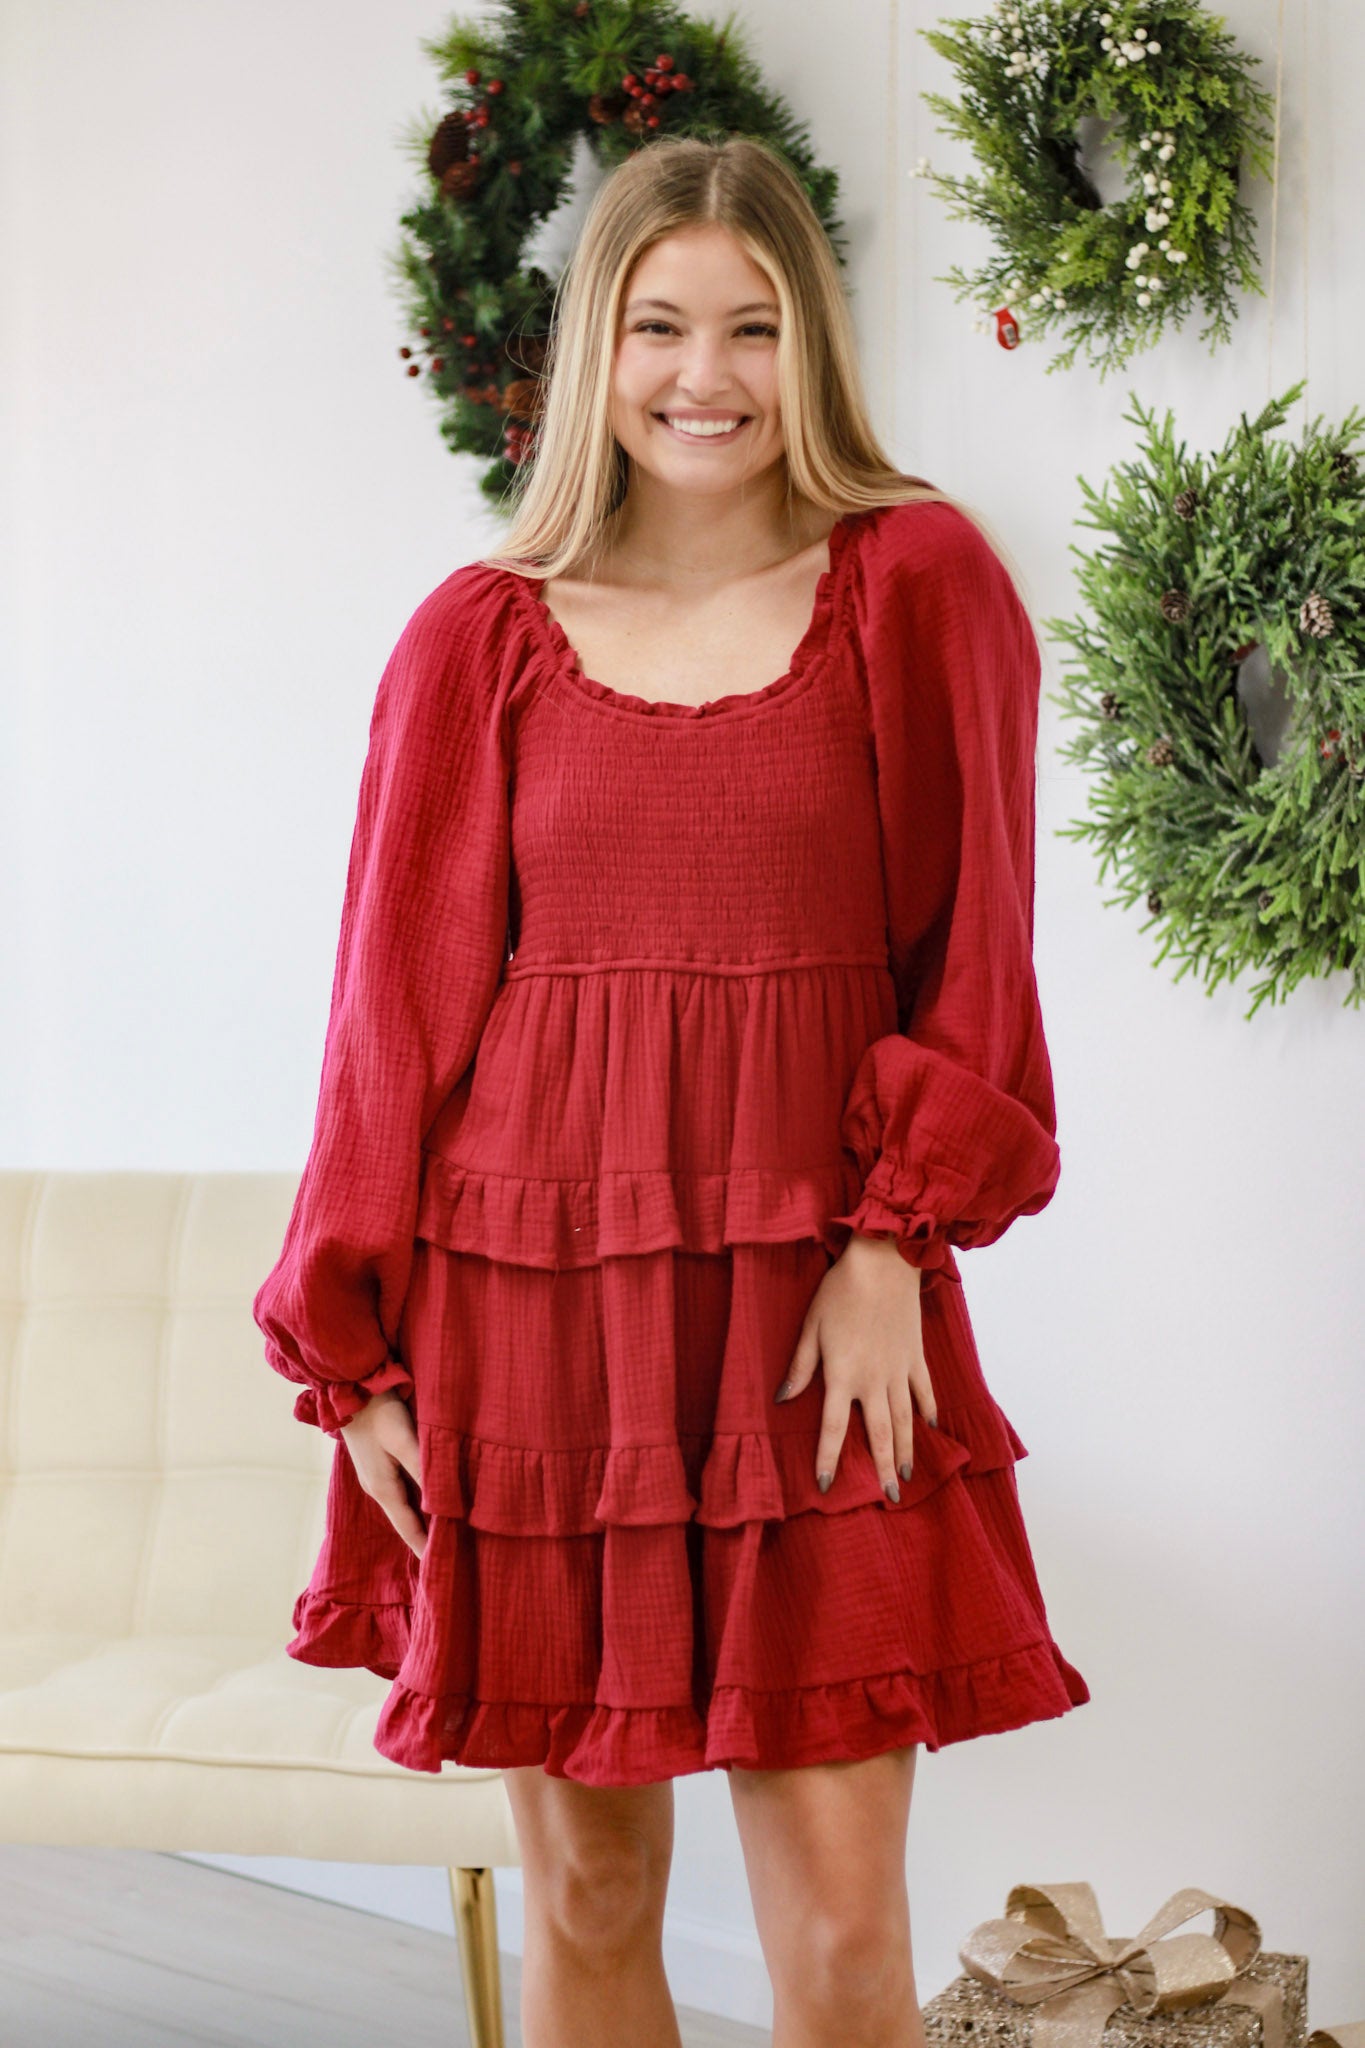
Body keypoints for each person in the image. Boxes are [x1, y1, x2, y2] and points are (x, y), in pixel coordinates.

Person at [253, 133, 1089, 2048]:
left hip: (820, 1313)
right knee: (592, 1896)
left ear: (815, 344)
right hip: (533, 1318)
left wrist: (889, 1250)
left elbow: (978, 955)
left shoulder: (918, 584)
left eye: (751, 325)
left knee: (847, 1941)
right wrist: (350, 1358)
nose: (703, 375)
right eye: (656, 326)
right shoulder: (476, 637)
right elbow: (387, 1024)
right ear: (592, 350)